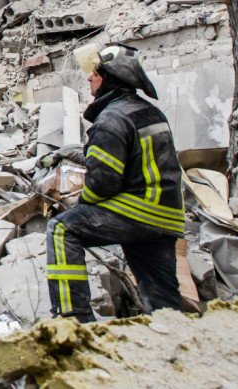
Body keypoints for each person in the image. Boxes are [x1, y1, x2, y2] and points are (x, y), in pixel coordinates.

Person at [44, 43, 185, 322]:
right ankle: (175, 333)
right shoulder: (151, 112)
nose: (89, 78)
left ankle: (75, 319)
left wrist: (80, 204)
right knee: (162, 293)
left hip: (137, 211)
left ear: (109, 78)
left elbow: (103, 183)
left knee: (61, 229)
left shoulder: (111, 118)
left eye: (95, 73)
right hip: (167, 216)